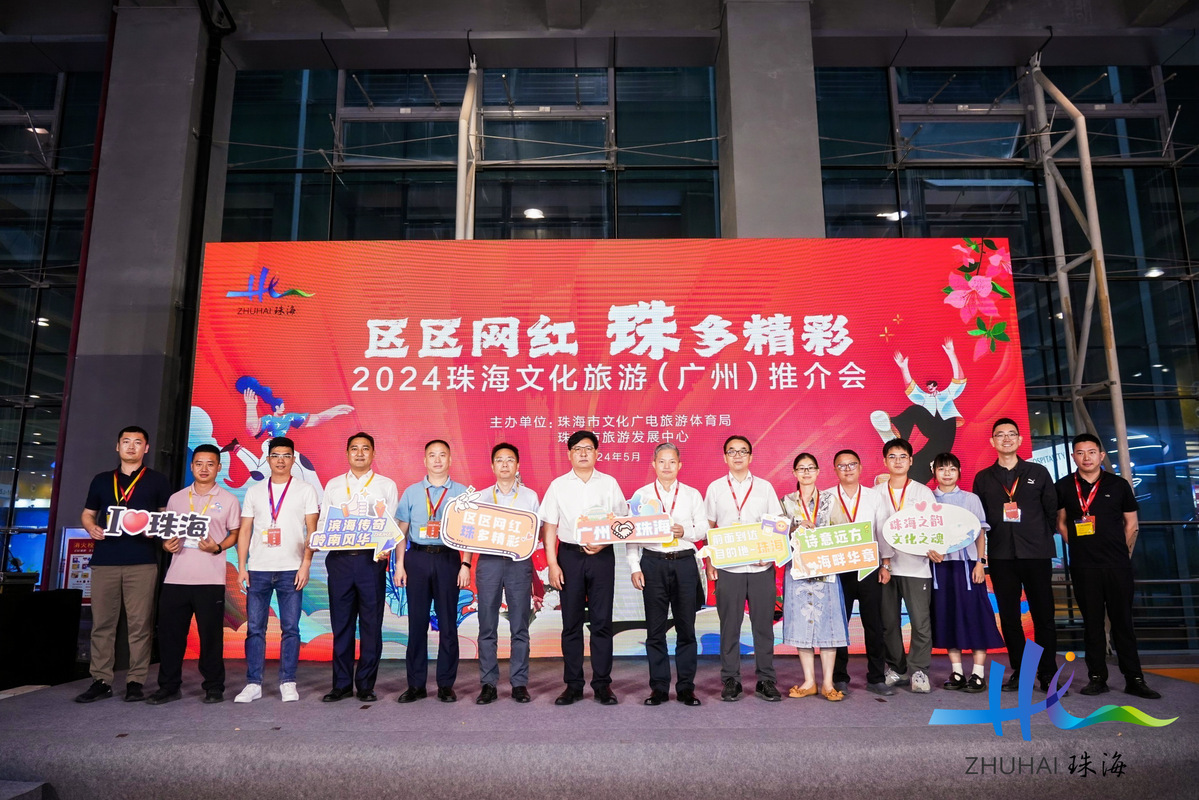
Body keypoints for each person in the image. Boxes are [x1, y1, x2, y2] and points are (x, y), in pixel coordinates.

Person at [1055, 433, 1159, 699]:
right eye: (1080, 452)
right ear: (1073, 457)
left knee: (1123, 622)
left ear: (1101, 455)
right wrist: (1077, 547)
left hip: (1116, 566)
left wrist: (1118, 552)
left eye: (1091, 452)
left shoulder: (1119, 484)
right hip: (1083, 567)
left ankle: (1134, 678)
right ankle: (1097, 677)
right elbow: (1062, 523)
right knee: (1092, 624)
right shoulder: (1065, 486)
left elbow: (1131, 524)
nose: (1086, 457)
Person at [75, 426, 173, 703]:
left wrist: (156, 529)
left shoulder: (157, 481)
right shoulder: (102, 480)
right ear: (117, 446)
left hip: (141, 561)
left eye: (137, 442)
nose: (131, 446)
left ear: (147, 448)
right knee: (102, 624)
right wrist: (91, 528)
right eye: (126, 442)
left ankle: (135, 680)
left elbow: (165, 517)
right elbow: (87, 514)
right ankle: (101, 680)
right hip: (105, 559)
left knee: (140, 624)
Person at [147, 445, 241, 704]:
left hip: (210, 580)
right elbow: (167, 535)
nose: (204, 468)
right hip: (176, 578)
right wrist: (167, 544)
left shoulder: (230, 499)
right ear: (191, 466)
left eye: (210, 464)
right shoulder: (176, 498)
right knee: (170, 635)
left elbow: (235, 533)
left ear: (219, 468)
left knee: (211, 636)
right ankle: (168, 686)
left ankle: (213, 686)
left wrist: (218, 546)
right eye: (199, 463)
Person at [540, 430, 627, 705]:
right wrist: (553, 564)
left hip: (602, 556)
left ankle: (602, 684)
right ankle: (573, 685)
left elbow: (622, 522)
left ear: (597, 453)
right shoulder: (558, 485)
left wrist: (604, 543)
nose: (583, 453)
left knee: (602, 622)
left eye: (588, 448)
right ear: (569, 454)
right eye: (577, 449)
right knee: (571, 624)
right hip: (570, 556)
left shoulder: (609, 483)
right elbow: (550, 526)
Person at [972, 418, 1059, 693]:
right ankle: (1021, 672)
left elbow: (1051, 512)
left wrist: (1036, 537)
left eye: (1012, 434)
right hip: (1001, 556)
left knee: (1043, 615)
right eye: (1000, 435)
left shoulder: (1038, 472)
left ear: (1020, 440)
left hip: (1036, 554)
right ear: (992, 442)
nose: (1006, 439)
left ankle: (1047, 673)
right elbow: (979, 520)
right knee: (1009, 617)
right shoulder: (983, 478)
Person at [234, 436, 319, 703]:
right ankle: (253, 683)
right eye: (275, 456)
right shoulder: (254, 491)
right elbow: (245, 530)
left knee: (291, 628)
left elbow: (312, 531)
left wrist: (306, 564)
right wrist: (241, 566)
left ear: (293, 459)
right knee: (255, 629)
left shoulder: (305, 490)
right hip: (258, 569)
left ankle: (288, 680)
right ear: (268, 459)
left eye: (286, 455)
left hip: (291, 568)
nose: (280, 460)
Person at [318, 432, 399, 703]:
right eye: (355, 449)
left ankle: (365, 684)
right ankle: (340, 684)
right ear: (347, 453)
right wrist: (318, 538)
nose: (360, 453)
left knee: (370, 624)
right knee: (341, 625)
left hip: (371, 561)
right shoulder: (333, 485)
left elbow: (393, 528)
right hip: (340, 560)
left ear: (374, 454)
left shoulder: (386, 485)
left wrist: (387, 547)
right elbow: (323, 524)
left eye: (366, 449)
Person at [628, 443, 708, 707]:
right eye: (661, 461)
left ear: (679, 465)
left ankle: (686, 687)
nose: (666, 467)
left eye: (672, 462)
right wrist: (634, 567)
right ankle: (659, 688)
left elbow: (702, 529)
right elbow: (632, 535)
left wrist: (682, 531)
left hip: (684, 563)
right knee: (655, 629)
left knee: (687, 628)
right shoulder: (641, 496)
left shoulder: (692, 494)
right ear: (653, 464)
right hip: (653, 563)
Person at [704, 435, 782, 702]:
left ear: (751, 456)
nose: (737, 456)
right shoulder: (715, 488)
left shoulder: (765, 488)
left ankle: (766, 680)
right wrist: (710, 564)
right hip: (729, 569)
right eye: (732, 451)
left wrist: (771, 555)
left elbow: (777, 526)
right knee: (730, 627)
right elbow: (709, 529)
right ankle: (730, 680)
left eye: (743, 451)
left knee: (763, 627)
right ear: (725, 457)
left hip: (761, 569)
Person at [394, 439, 469, 703]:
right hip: (417, 559)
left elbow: (467, 533)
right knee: (417, 624)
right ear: (424, 460)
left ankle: (446, 684)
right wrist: (400, 565)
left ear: (450, 460)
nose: (437, 460)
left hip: (449, 559)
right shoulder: (412, 492)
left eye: (442, 455)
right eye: (432, 455)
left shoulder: (462, 493)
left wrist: (465, 564)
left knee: (448, 623)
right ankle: (415, 685)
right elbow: (400, 531)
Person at [927, 452, 1003, 694]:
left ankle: (978, 674)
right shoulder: (927, 501)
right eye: (942, 469)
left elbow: (981, 533)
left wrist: (980, 562)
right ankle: (957, 671)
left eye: (952, 469)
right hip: (940, 568)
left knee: (976, 616)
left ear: (959, 472)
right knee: (948, 617)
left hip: (968, 566)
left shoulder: (971, 499)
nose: (947, 473)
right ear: (934, 472)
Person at [475, 442, 541, 705]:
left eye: (510, 460)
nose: (504, 464)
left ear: (517, 465)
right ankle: (488, 683)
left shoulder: (530, 496)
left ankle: (519, 683)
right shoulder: (479, 497)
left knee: (520, 626)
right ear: (492, 466)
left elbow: (534, 534)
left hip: (518, 563)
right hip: (489, 562)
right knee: (487, 625)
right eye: (499, 460)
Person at [780, 453, 848, 702]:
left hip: (825, 570)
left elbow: (844, 531)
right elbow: (777, 536)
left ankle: (828, 682)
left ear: (819, 471)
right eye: (801, 468)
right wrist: (795, 529)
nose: (806, 472)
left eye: (811, 468)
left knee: (828, 625)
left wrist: (822, 534)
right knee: (802, 623)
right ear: (795, 473)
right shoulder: (785, 502)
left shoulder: (831, 500)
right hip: (797, 571)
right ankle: (809, 681)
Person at [874, 438, 936, 693]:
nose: (897, 461)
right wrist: (883, 563)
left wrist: (937, 548)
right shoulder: (875, 493)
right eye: (892, 457)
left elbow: (935, 526)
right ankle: (897, 669)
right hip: (885, 569)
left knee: (920, 622)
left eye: (902, 457)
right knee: (888, 623)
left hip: (917, 567)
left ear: (911, 460)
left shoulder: (922, 492)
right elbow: (872, 530)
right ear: (885, 461)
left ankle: (919, 670)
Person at [829, 449, 893, 696]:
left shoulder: (874, 496)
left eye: (852, 464)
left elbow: (882, 530)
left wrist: (885, 564)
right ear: (835, 470)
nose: (847, 469)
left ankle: (876, 677)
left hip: (869, 567)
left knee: (874, 624)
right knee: (838, 625)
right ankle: (839, 676)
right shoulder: (826, 497)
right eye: (842, 465)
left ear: (860, 467)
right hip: (838, 569)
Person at [871, 338, 966, 484]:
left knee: (929, 456)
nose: (930, 390)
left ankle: (903, 479)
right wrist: (904, 368)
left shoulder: (947, 395)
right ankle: (896, 437)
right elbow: (911, 389)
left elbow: (959, 379)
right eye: (928, 388)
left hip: (946, 427)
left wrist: (952, 354)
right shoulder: (925, 399)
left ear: (936, 386)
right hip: (932, 429)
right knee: (915, 410)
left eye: (932, 387)